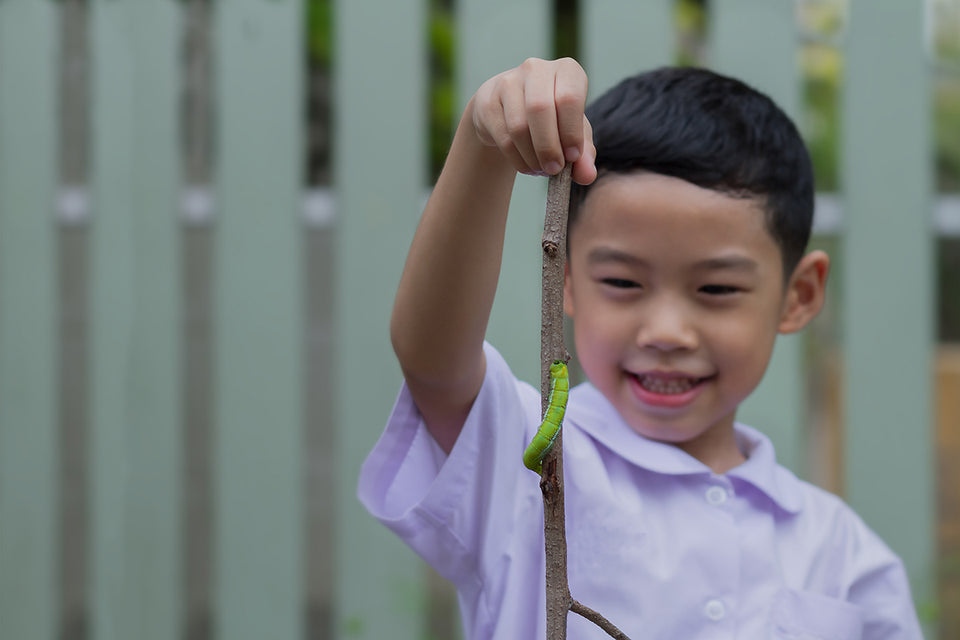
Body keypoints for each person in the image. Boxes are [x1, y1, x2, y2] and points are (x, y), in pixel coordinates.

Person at [358, 58, 922, 639]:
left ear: (798, 296)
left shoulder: (845, 556)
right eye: (624, 283)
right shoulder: (530, 456)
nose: (666, 331)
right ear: (567, 280)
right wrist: (481, 139)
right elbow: (433, 361)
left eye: (717, 289)